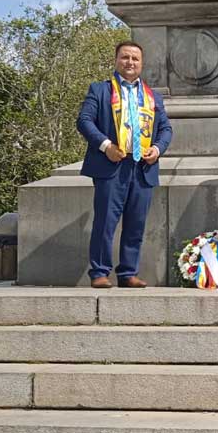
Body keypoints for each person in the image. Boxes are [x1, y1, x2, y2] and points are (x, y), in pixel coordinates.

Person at [77, 41, 173, 289]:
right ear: (116, 60)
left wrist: (158, 148)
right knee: (106, 222)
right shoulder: (100, 90)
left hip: (142, 166)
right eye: (125, 57)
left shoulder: (152, 96)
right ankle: (99, 272)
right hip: (112, 164)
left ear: (141, 64)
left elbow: (165, 129)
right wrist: (106, 145)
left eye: (135, 59)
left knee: (136, 223)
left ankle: (128, 272)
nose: (130, 62)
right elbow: (85, 121)